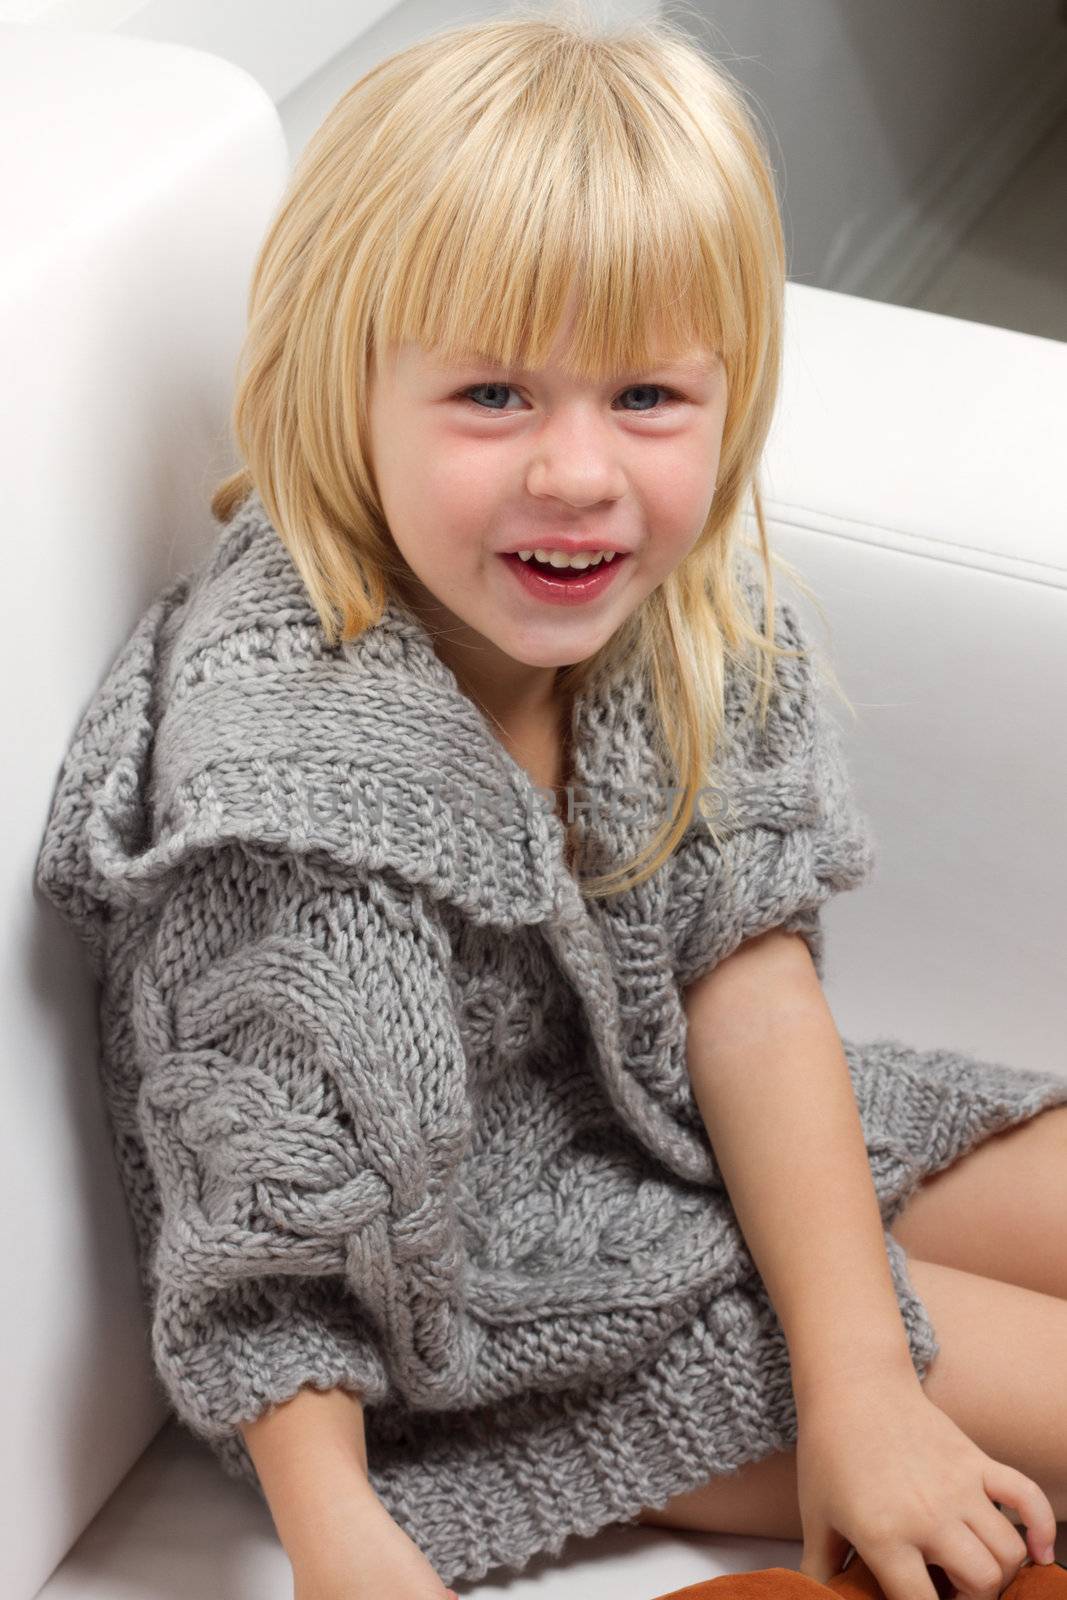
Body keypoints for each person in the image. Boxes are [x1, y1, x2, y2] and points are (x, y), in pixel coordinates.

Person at [34, 6, 1067, 1599]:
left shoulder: (679, 607)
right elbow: (265, 1239)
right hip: (470, 1309)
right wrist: (340, 1539)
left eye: (647, 396)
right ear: (345, 389)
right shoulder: (294, 791)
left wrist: (859, 1368)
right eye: (495, 398)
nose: (580, 473)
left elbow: (752, 986)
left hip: (658, 1131)